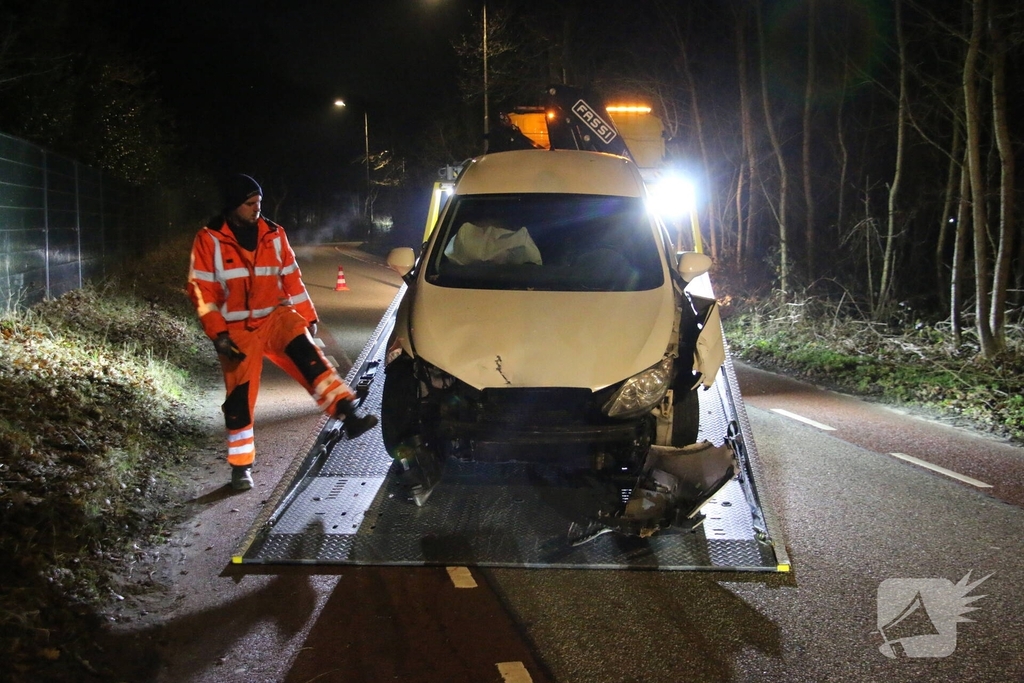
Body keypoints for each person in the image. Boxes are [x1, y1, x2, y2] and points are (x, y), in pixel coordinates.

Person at [186, 174, 377, 491]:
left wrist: (307, 316)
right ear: (233, 206)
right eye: (250, 203)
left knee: (308, 357)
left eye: (259, 202)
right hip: (236, 329)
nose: (256, 209)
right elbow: (201, 290)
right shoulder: (209, 240)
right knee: (239, 399)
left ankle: (348, 412)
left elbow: (291, 277)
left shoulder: (274, 235)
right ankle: (240, 468)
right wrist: (219, 334)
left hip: (275, 316)